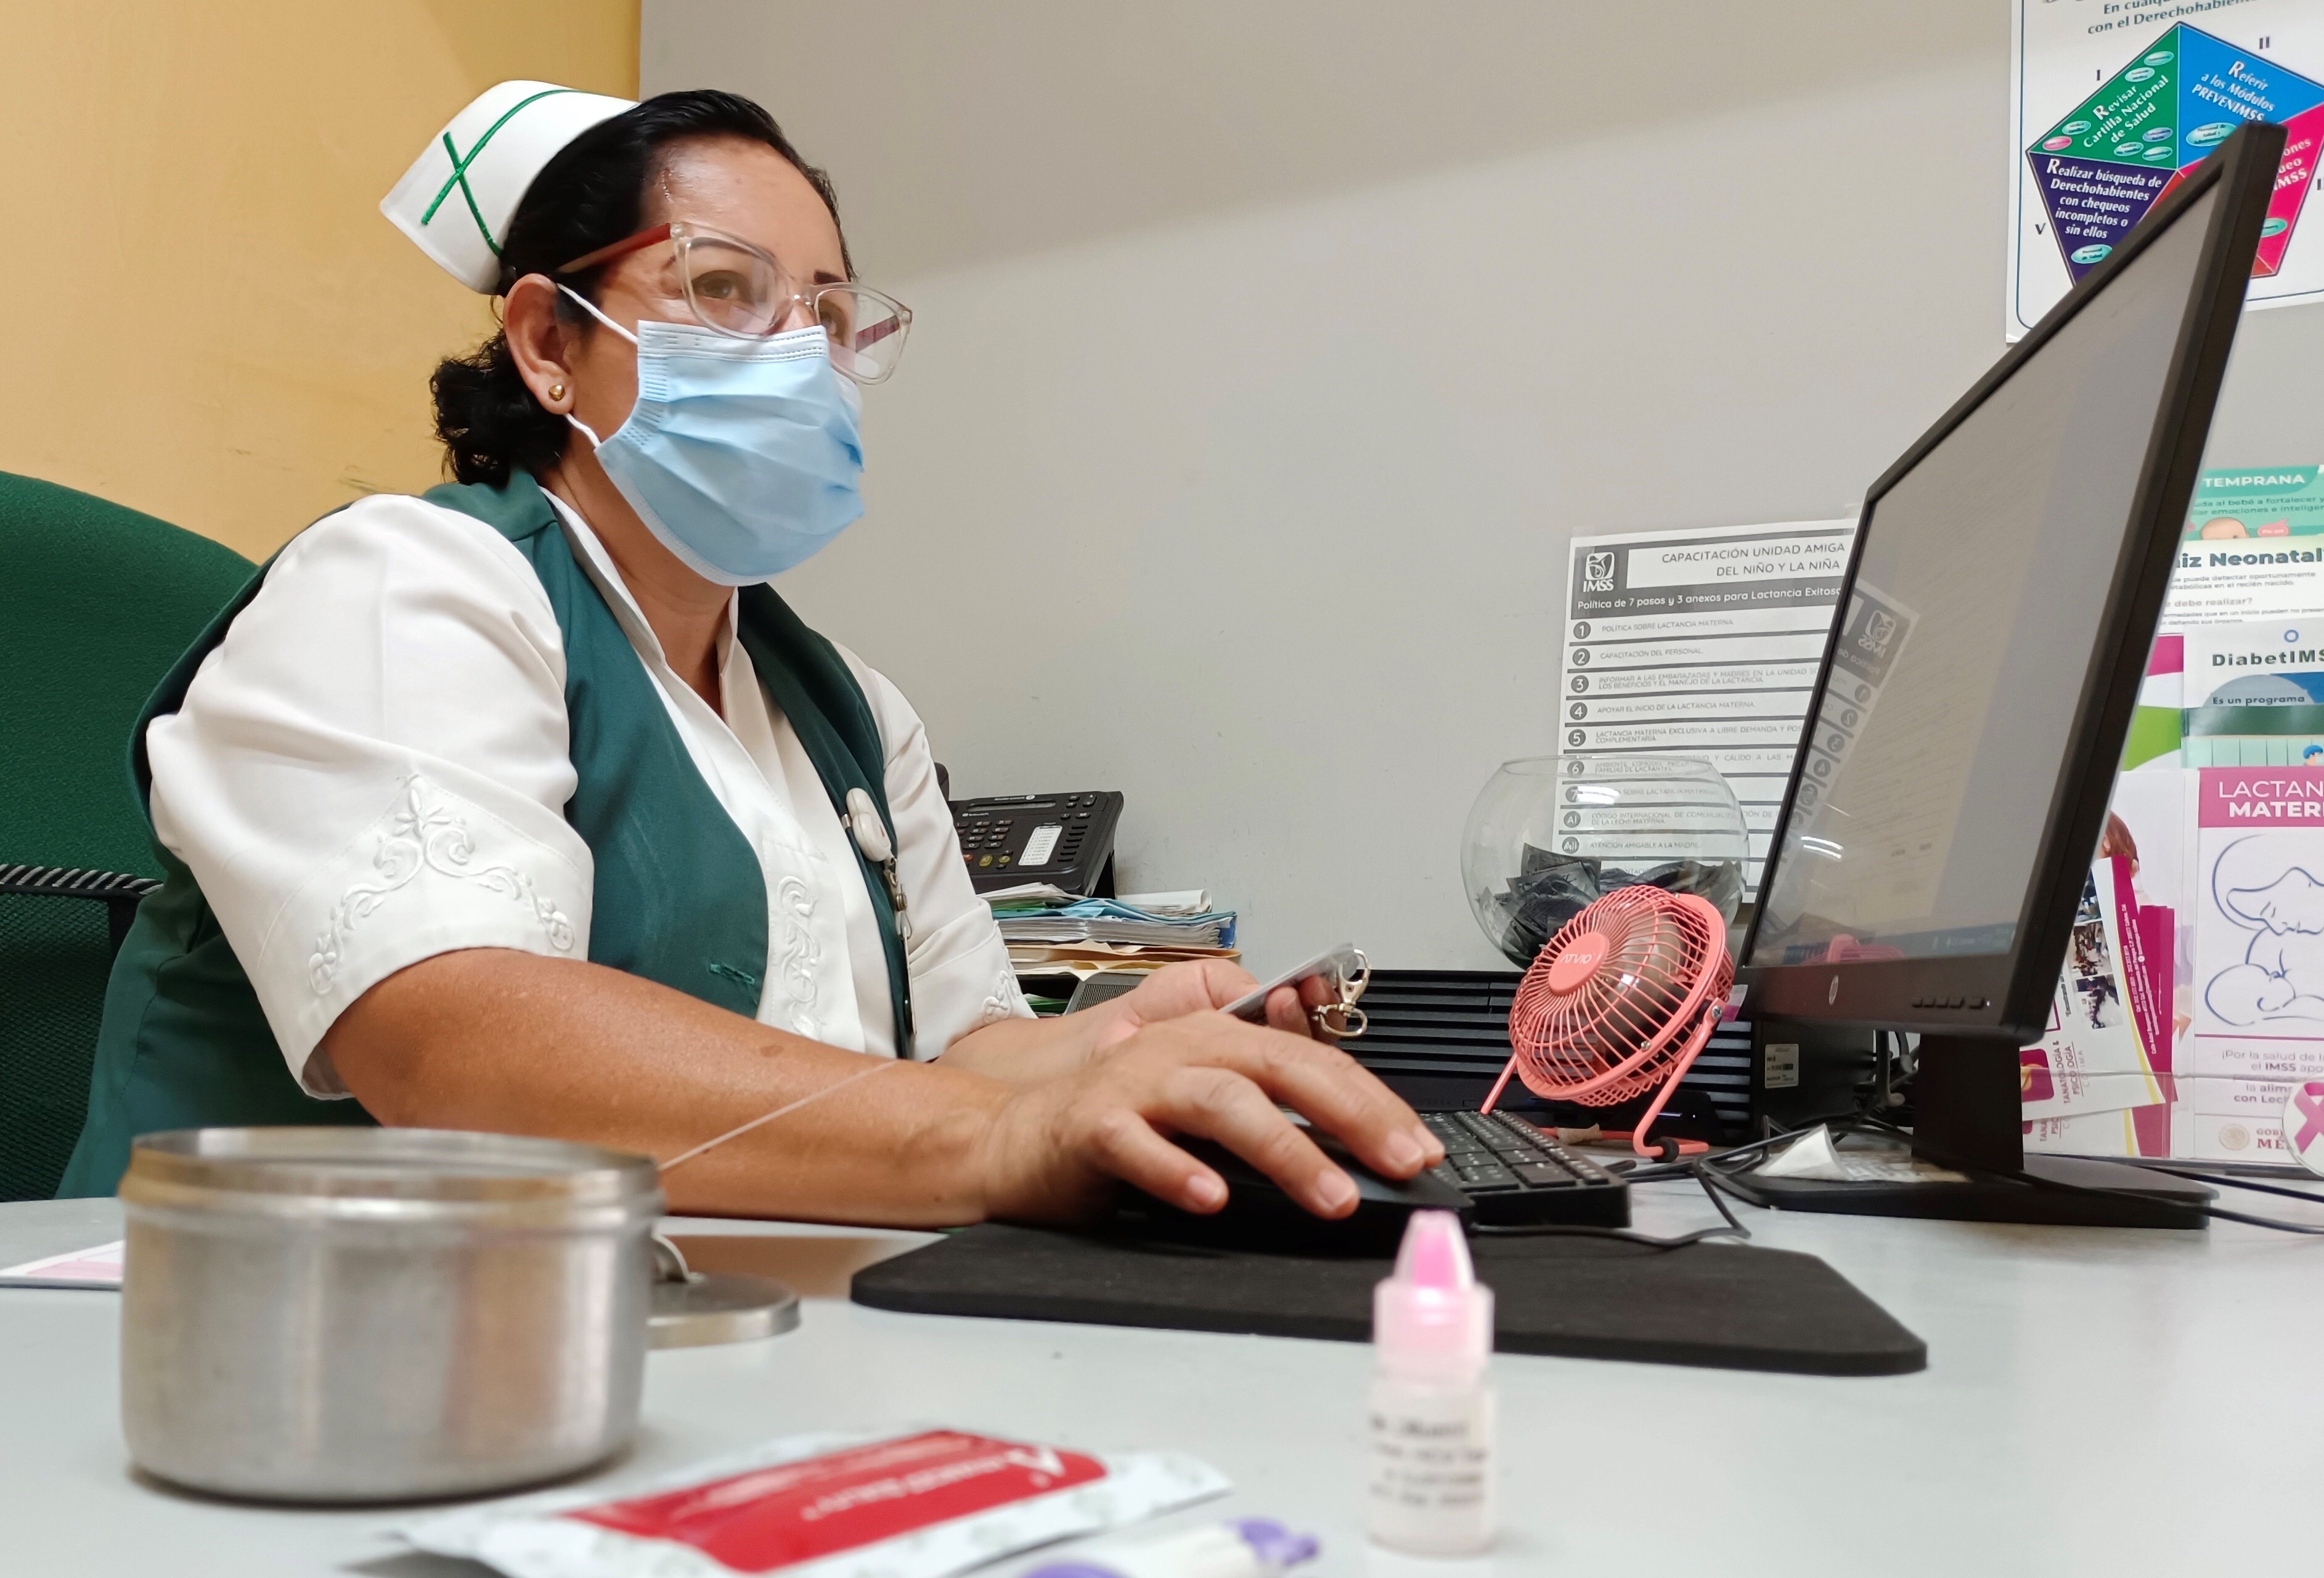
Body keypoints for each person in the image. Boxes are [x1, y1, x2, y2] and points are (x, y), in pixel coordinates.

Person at [60, 83, 1441, 1220]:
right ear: (546, 342)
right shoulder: (403, 585)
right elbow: (456, 1043)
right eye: (724, 289)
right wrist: (995, 1141)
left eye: (828, 316)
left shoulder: (848, 710)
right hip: (245, 1341)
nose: (798, 356)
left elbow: (962, 1053)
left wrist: (1125, 1047)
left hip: (661, 1337)